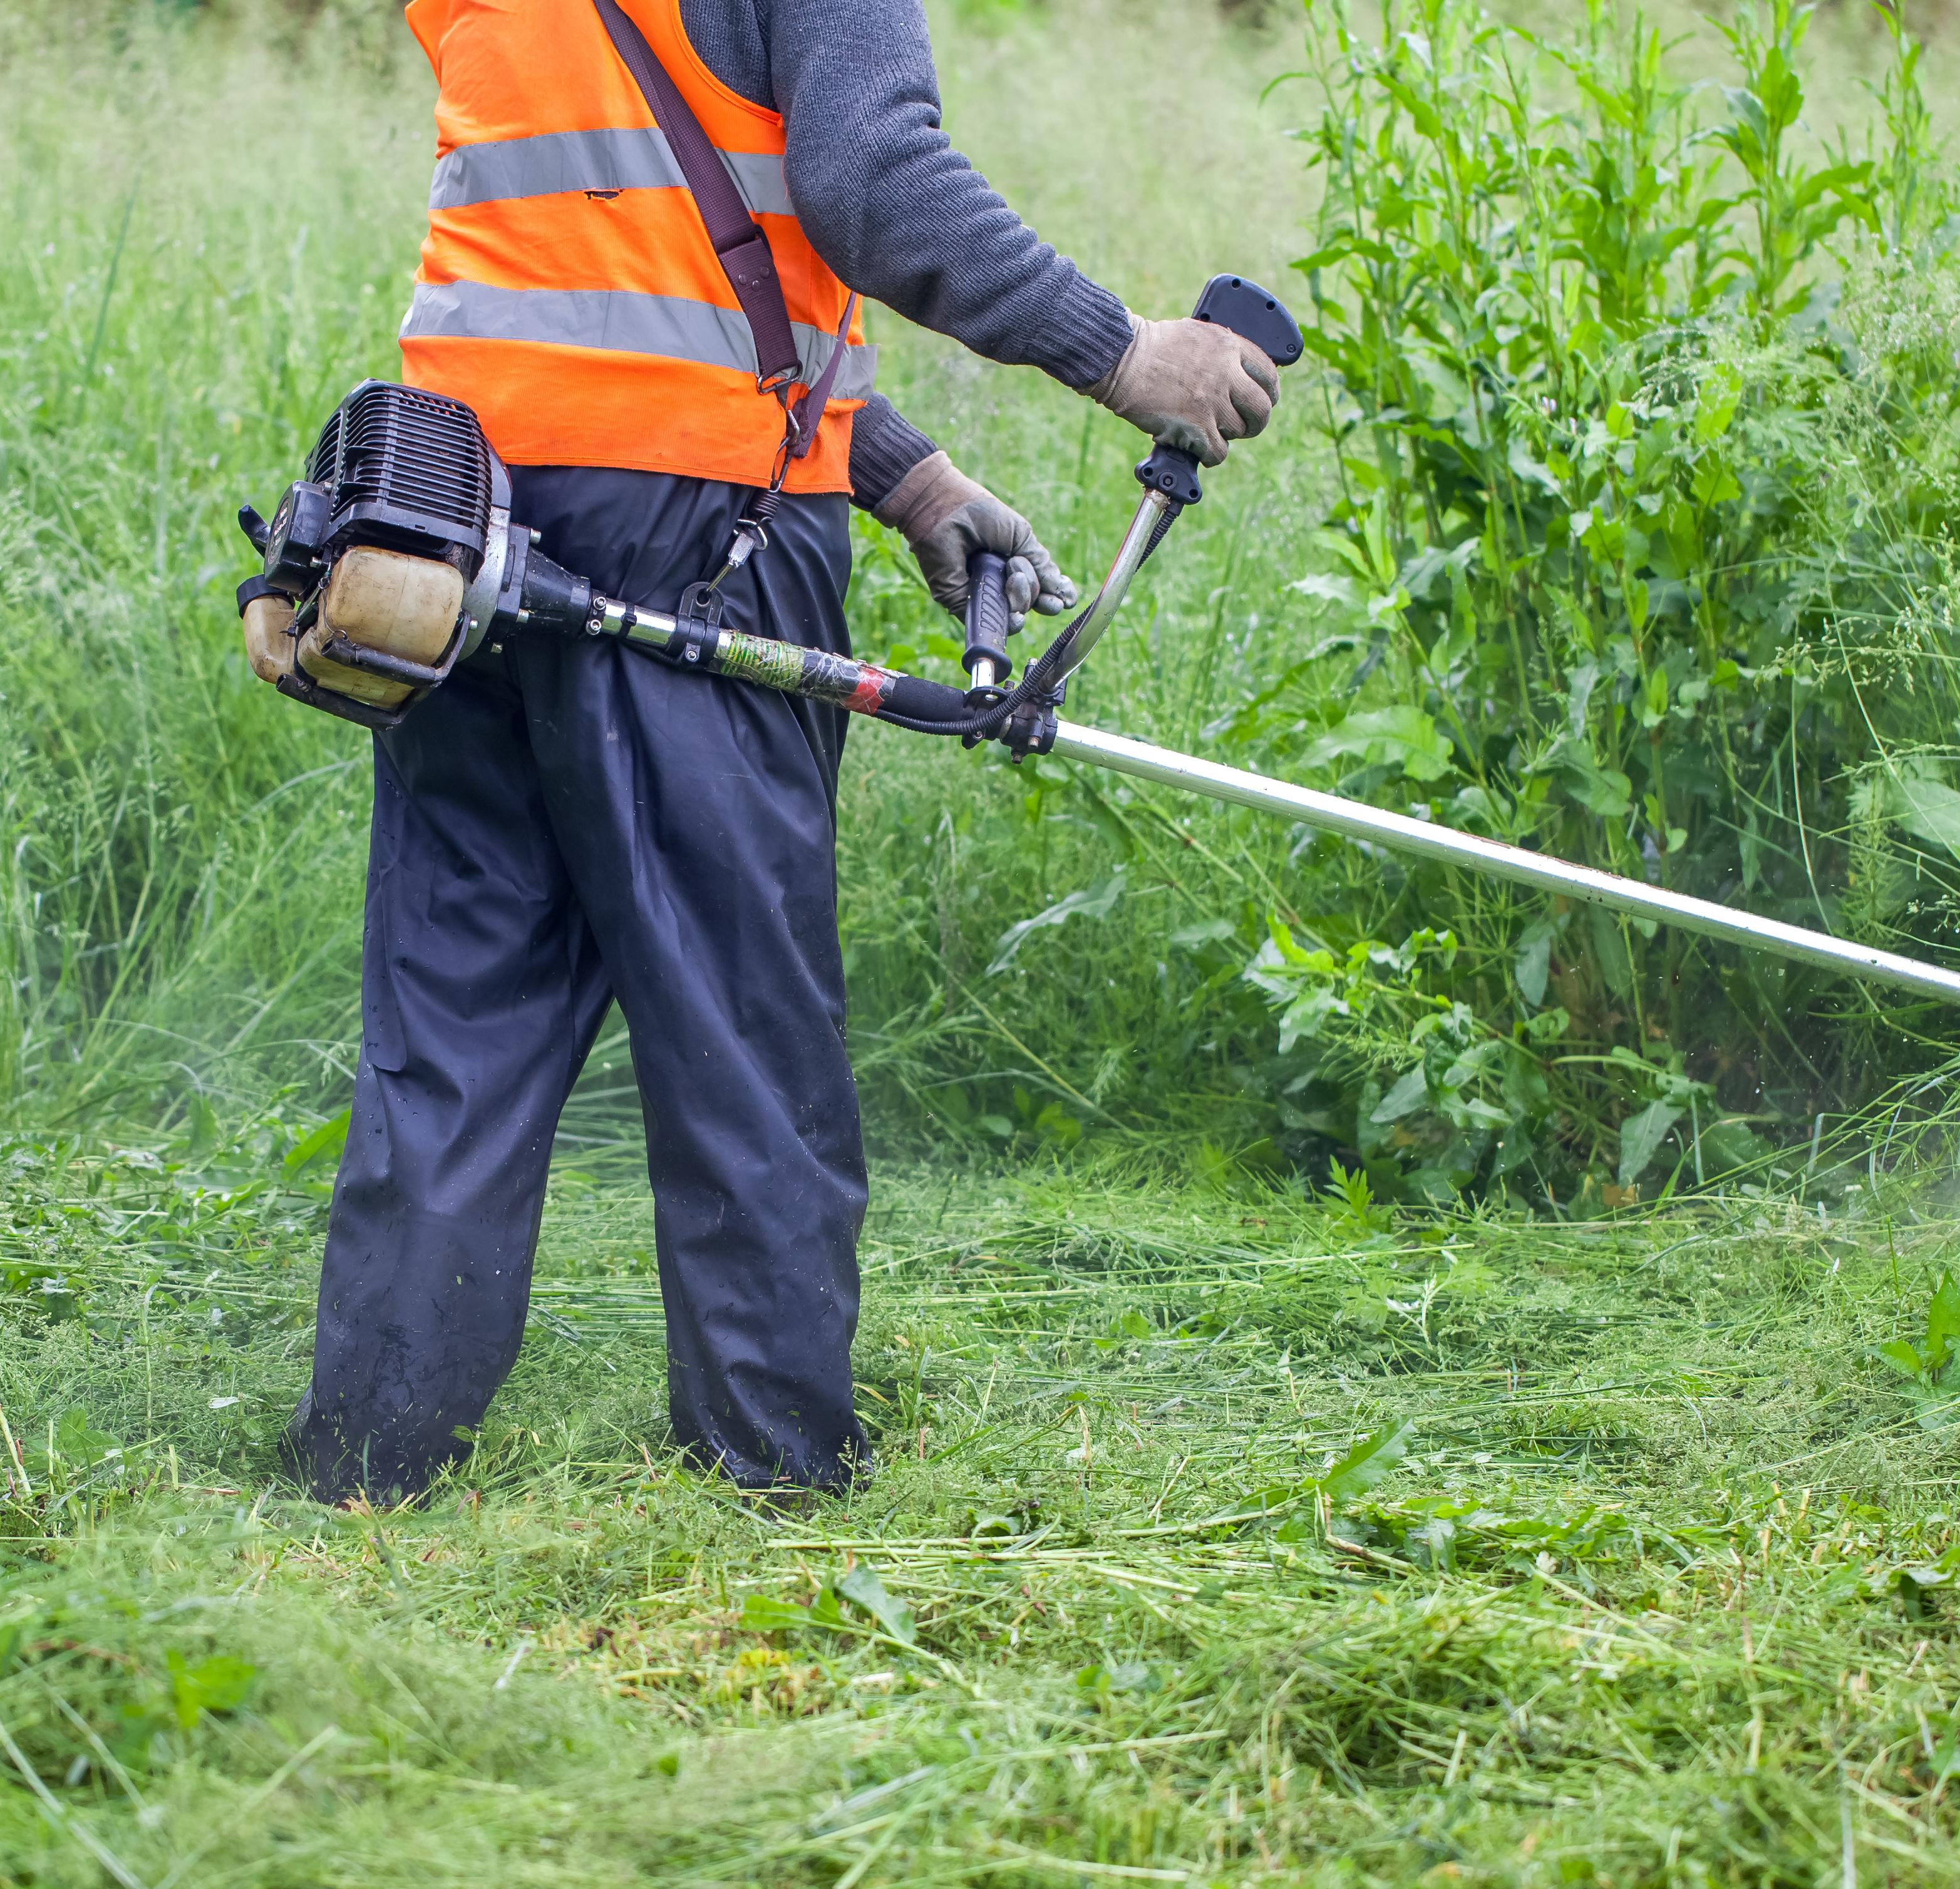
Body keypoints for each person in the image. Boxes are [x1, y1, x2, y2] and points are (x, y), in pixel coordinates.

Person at [284, 0, 1278, 1504]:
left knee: (460, 1020)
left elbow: (640, 255)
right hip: (703, 535)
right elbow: (868, 183)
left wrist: (906, 475)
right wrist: (1122, 349)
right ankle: (776, 1481)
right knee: (740, 1026)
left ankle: (367, 1465)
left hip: (458, 526)